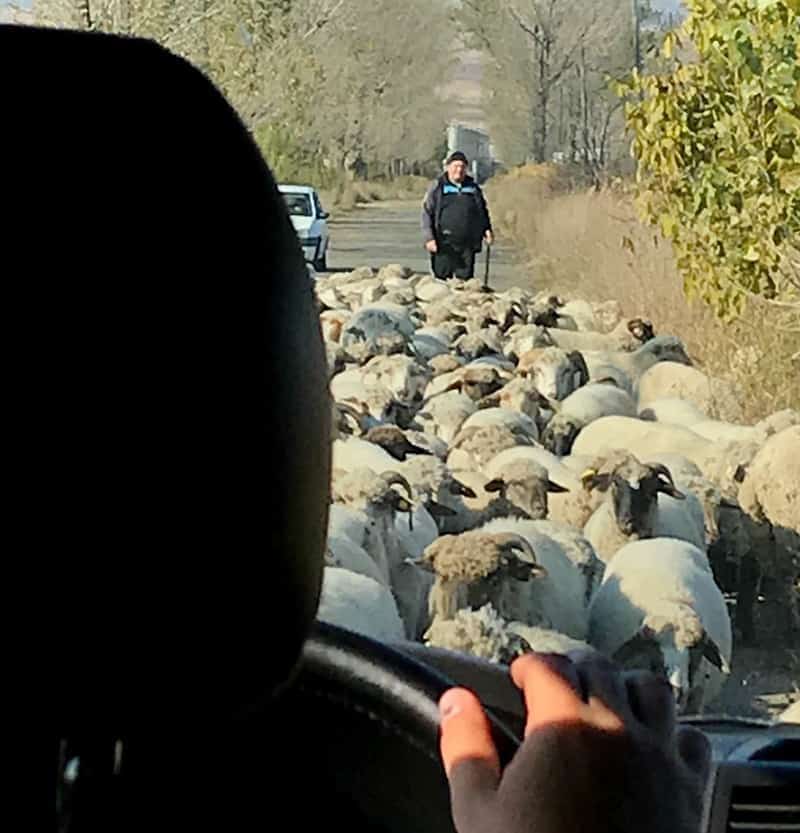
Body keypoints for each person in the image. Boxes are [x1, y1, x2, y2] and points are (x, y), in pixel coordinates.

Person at [422, 150, 494, 280]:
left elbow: (482, 211)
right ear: (448, 167)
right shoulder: (438, 187)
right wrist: (429, 238)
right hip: (443, 242)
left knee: (465, 281)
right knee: (441, 279)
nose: (459, 170)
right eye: (456, 166)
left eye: (462, 167)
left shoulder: (473, 188)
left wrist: (487, 229)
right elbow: (427, 213)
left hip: (467, 243)